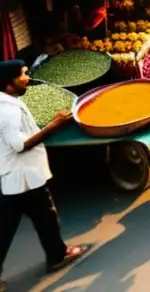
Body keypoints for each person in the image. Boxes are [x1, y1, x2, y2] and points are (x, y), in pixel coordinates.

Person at [0, 60, 90, 283]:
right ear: (9, 83)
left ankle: (57, 254)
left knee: (42, 218)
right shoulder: (7, 112)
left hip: (21, 176)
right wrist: (53, 126)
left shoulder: (10, 101)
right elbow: (20, 145)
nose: (28, 77)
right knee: (15, 225)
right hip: (22, 176)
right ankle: (58, 255)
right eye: (23, 74)